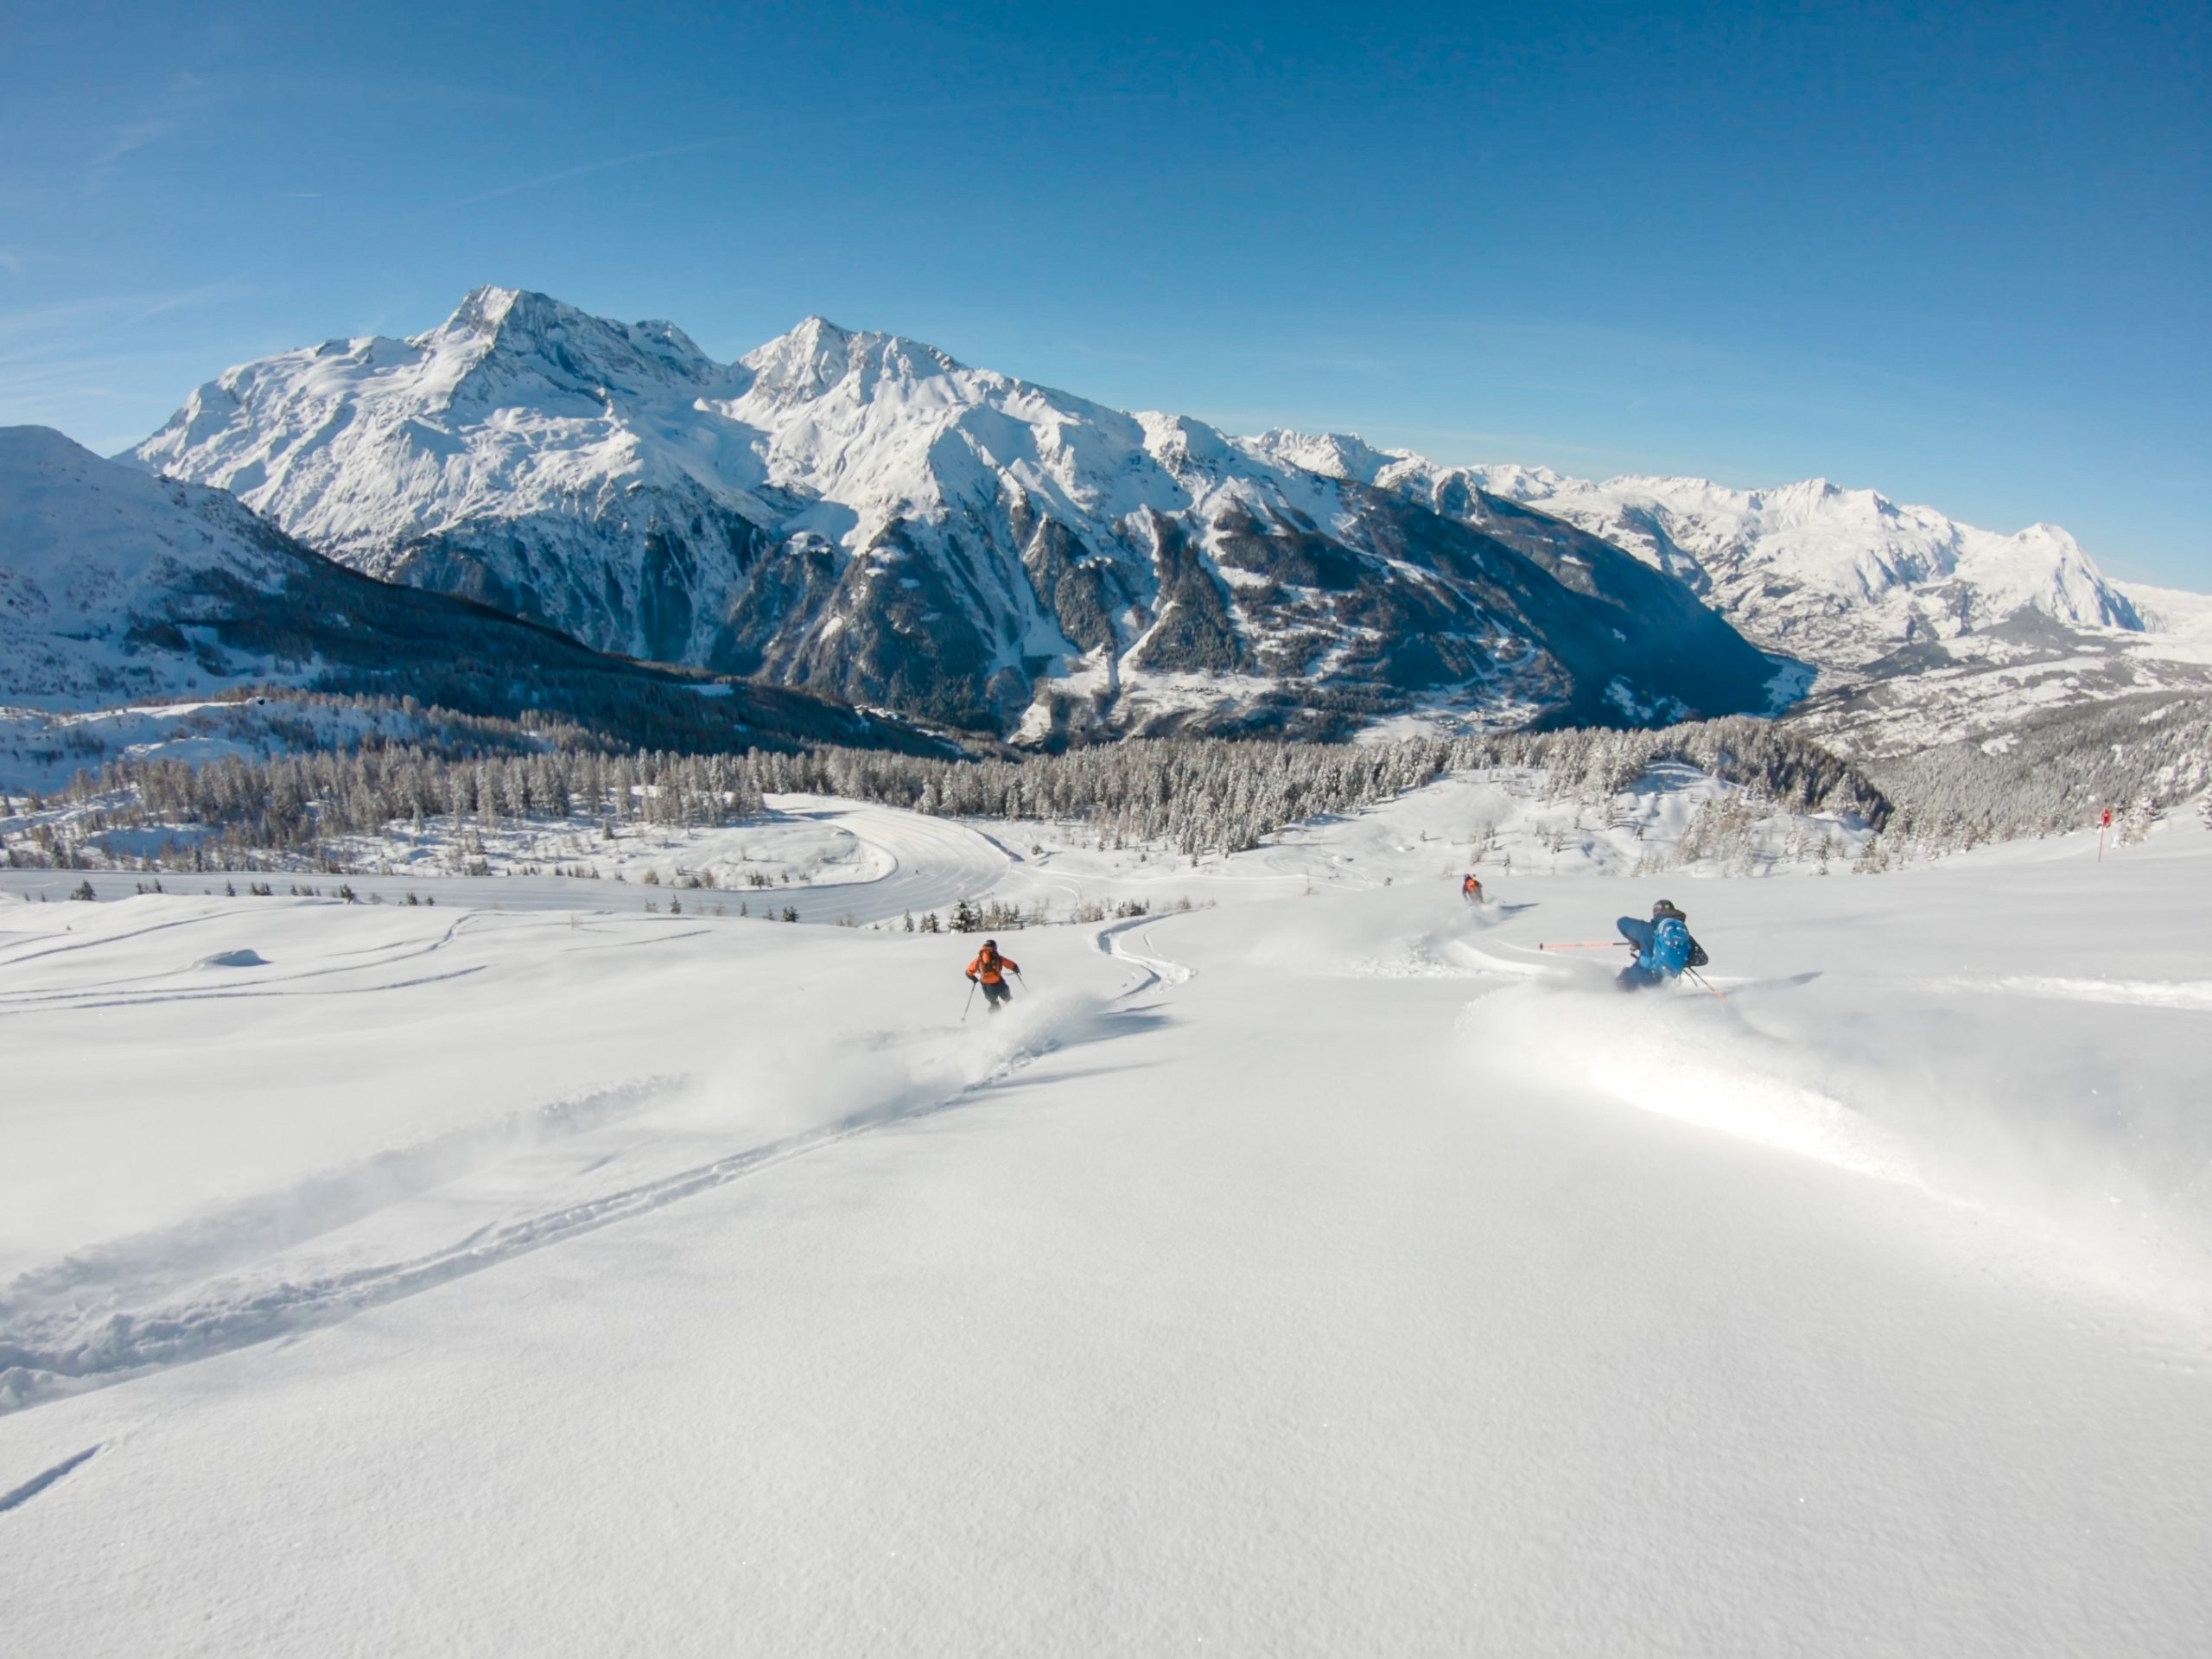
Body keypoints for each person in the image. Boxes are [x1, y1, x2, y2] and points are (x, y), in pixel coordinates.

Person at [1616, 899, 1707, 992]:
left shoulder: (1646, 929)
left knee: (1614, 992)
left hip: (1636, 977)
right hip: (1660, 982)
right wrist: (1679, 957)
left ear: (1656, 912)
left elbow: (1621, 922)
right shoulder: (1684, 936)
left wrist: (1634, 942)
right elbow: (1702, 959)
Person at [966, 938, 1020, 1013]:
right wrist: (1015, 968)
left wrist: (973, 978)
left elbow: (968, 971)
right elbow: (1009, 963)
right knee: (1009, 1000)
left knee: (994, 1003)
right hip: (999, 983)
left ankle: (996, 1020)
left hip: (987, 987)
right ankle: (1017, 1014)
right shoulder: (997, 957)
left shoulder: (979, 959)